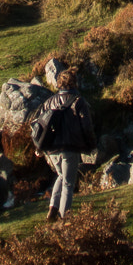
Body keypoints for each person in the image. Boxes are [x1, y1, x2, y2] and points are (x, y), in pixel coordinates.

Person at [30, 69, 98, 221]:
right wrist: (91, 145)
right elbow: (87, 126)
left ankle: (53, 208)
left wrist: (39, 147)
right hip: (70, 147)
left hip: (52, 149)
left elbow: (38, 125)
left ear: (59, 83)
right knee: (68, 183)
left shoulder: (49, 101)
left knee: (61, 176)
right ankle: (64, 217)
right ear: (74, 82)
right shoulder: (78, 101)